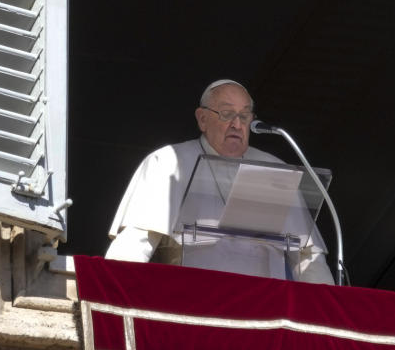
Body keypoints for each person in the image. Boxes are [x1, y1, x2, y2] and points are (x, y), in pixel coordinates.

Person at [105, 79, 334, 284]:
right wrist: (110, 285)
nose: (237, 124)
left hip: (264, 311)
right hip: (192, 303)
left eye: (244, 116)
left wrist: (329, 312)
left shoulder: (275, 169)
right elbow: (136, 243)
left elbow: (308, 258)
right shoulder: (167, 163)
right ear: (202, 119)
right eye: (226, 114)